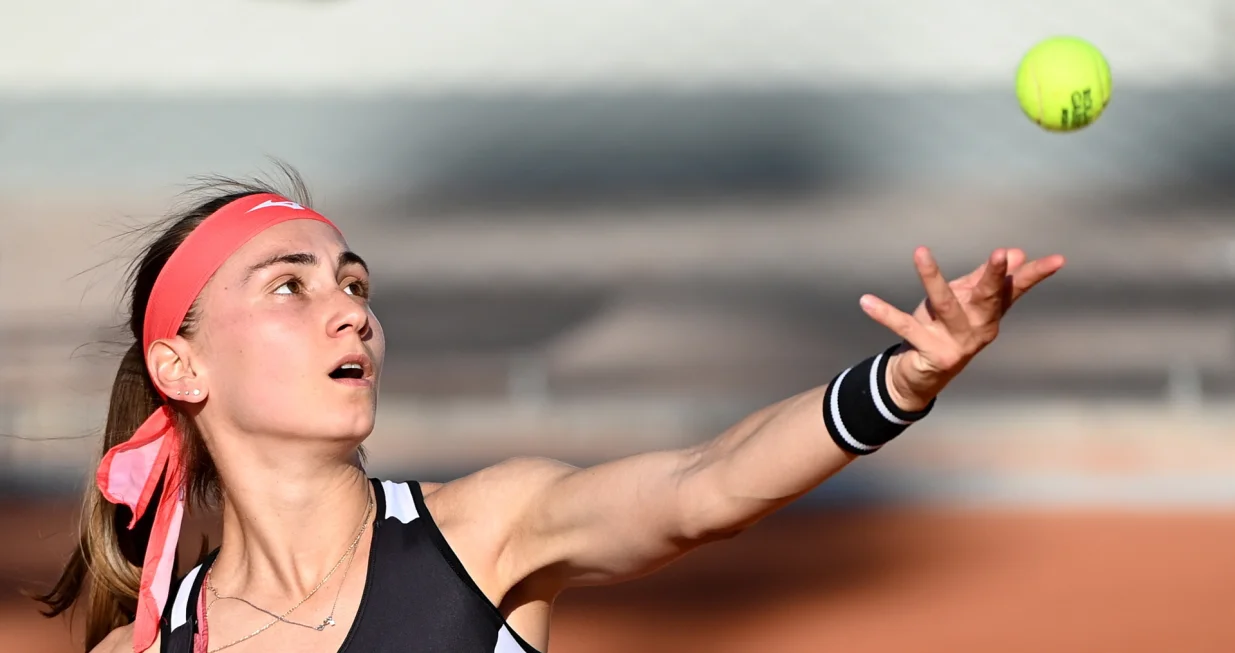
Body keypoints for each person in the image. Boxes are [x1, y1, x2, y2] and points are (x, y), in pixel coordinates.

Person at [34, 169, 1063, 653]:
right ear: (181, 364)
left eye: (353, 281)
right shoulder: (149, 647)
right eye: (289, 286)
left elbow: (705, 484)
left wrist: (899, 382)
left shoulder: (480, 535)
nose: (349, 307)